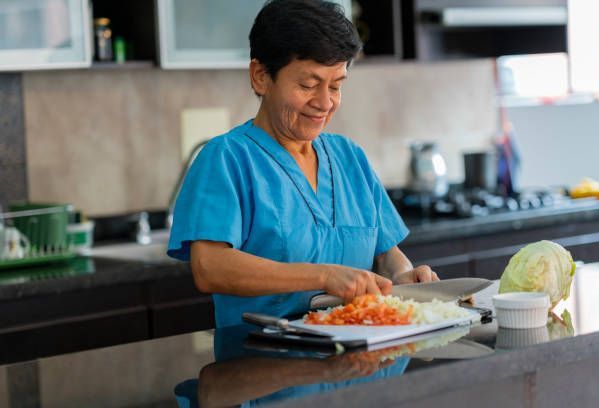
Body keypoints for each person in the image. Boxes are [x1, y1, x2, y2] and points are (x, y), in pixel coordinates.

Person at [168, 0, 438, 328]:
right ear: (261, 77)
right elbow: (209, 267)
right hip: (264, 365)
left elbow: (385, 254)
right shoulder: (227, 159)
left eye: (336, 86)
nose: (325, 102)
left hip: (363, 364)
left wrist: (404, 276)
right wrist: (322, 275)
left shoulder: (349, 157)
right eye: (308, 85)